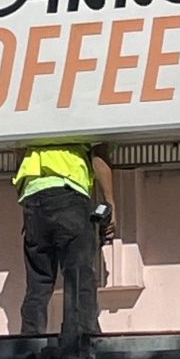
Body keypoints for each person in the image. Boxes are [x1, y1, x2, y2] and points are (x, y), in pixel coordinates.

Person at [13, 143, 116, 336]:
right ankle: (81, 337)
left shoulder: (31, 121)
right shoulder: (78, 119)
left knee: (38, 280)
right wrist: (110, 203)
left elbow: (19, 151)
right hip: (69, 191)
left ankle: (30, 340)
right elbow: (99, 155)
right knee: (78, 273)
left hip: (33, 197)